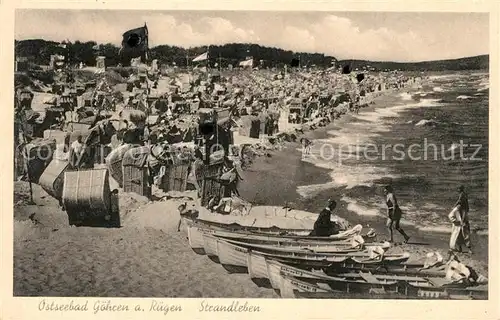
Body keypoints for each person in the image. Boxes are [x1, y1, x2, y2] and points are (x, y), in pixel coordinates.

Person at [455, 185, 472, 253]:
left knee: (463, 232)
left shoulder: (462, 199)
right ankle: (463, 248)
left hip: (462, 217)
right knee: (463, 232)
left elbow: (465, 210)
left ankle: (466, 248)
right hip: (461, 217)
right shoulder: (462, 197)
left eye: (458, 189)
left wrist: (462, 219)